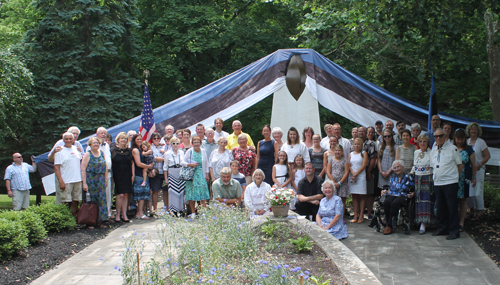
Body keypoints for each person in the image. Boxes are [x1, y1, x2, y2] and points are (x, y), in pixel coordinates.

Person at [430, 128, 463, 240]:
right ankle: (442, 228)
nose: (438, 138)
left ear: (444, 136)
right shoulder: (433, 150)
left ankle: (454, 231)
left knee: (452, 208)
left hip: (450, 183)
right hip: (438, 183)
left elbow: (460, 165)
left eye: (440, 136)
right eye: (436, 136)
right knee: (441, 207)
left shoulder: (453, 149)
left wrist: (454, 178)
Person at [81, 137, 108, 228]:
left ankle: (100, 221)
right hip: (91, 179)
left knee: (101, 200)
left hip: (100, 179)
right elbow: (83, 169)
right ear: (90, 145)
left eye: (97, 142)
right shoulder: (88, 154)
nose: (96, 144)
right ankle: (90, 221)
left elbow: (105, 167)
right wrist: (84, 183)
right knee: (91, 200)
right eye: (94, 143)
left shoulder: (102, 153)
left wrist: (106, 179)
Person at [382, 160, 415, 235]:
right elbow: (390, 188)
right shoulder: (393, 177)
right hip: (392, 194)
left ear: (402, 167)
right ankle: (388, 222)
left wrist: (413, 193)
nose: (397, 169)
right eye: (395, 168)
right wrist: (385, 191)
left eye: (398, 167)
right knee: (386, 202)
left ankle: (389, 225)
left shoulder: (408, 177)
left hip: (403, 195)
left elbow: (414, 187)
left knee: (395, 203)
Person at [86, 127, 113, 218]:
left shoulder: (107, 145)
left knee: (107, 196)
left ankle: (107, 215)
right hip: (94, 177)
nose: (103, 135)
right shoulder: (90, 149)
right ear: (97, 134)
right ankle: (94, 217)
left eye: (105, 133)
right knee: (96, 197)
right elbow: (84, 166)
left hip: (106, 175)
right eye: (101, 133)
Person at [466, 122, 491, 219]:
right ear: (469, 131)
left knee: (478, 191)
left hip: (479, 170)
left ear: (478, 131)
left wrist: (480, 164)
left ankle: (479, 211)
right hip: (469, 170)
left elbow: (488, 156)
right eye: (472, 129)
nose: (473, 131)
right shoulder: (467, 142)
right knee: (469, 191)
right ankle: (471, 209)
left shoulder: (481, 142)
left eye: (475, 129)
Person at [54, 132, 82, 216]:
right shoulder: (59, 151)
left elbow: (80, 162)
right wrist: (61, 181)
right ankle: (65, 219)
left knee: (76, 200)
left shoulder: (76, 149)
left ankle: (73, 219)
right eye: (66, 139)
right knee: (65, 201)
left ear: (73, 140)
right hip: (66, 180)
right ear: (63, 140)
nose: (69, 140)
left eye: (70, 138)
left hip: (77, 179)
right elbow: (56, 168)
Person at [411, 134, 435, 234]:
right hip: (417, 178)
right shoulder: (416, 152)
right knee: (418, 200)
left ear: (428, 143)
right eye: (420, 141)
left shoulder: (431, 152)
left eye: (424, 141)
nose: (422, 143)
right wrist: (411, 172)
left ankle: (424, 223)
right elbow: (415, 165)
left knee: (426, 200)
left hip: (427, 177)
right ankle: (418, 221)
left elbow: (433, 166)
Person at [454, 128, 476, 231]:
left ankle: (461, 222)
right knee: (453, 199)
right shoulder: (452, 148)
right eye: (458, 139)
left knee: (463, 200)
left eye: (461, 139)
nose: (459, 141)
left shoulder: (469, 150)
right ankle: (453, 220)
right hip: (453, 178)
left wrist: (474, 177)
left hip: (464, 178)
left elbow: (473, 164)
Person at [182, 136, 210, 216]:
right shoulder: (189, 151)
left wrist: (207, 174)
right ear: (192, 143)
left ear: (200, 143)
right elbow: (183, 162)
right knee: (192, 193)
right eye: (195, 142)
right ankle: (193, 212)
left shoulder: (203, 151)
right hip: (191, 174)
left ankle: (204, 212)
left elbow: (206, 163)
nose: (196, 144)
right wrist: (190, 164)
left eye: (198, 142)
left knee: (203, 192)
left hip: (201, 173)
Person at [111, 132, 133, 223]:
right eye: (122, 138)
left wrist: (133, 175)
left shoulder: (129, 151)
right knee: (120, 195)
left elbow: (132, 164)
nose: (123, 140)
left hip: (127, 174)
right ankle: (117, 214)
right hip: (117, 174)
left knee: (126, 194)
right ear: (118, 139)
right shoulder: (113, 150)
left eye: (125, 138)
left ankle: (124, 214)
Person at [131, 134, 154, 219]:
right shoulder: (135, 150)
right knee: (140, 195)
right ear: (134, 140)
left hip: (143, 173)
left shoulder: (141, 149)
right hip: (139, 174)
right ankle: (139, 212)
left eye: (141, 139)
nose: (140, 141)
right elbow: (138, 163)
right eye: (138, 139)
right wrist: (148, 166)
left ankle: (141, 211)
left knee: (144, 194)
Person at [357, 127, 377, 219]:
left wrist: (368, 171)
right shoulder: (355, 143)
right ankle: (357, 213)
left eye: (363, 131)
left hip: (368, 171)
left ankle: (369, 213)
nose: (361, 133)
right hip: (356, 172)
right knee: (357, 193)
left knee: (369, 193)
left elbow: (373, 158)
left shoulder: (370, 143)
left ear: (366, 133)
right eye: (359, 131)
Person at [163, 137, 185, 214]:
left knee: (181, 191)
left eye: (177, 143)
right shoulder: (167, 153)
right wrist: (166, 179)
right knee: (173, 192)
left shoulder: (181, 152)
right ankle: (174, 210)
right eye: (173, 143)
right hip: (172, 172)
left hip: (180, 171)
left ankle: (181, 209)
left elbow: (184, 163)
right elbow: (165, 167)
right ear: (171, 144)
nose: (175, 145)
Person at [348, 138, 368, 223]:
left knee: (361, 195)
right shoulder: (350, 154)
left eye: (358, 144)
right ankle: (355, 214)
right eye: (355, 144)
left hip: (361, 176)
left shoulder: (364, 153)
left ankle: (361, 215)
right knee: (354, 196)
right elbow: (348, 165)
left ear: (361, 145)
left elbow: (364, 165)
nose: (356, 146)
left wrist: (356, 173)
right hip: (352, 176)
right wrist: (352, 173)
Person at [326, 144, 350, 213]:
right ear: (334, 152)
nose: (337, 152)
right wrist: (333, 182)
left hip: (342, 183)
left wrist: (340, 182)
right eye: (336, 150)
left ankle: (341, 217)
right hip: (333, 184)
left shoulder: (345, 161)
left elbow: (346, 172)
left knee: (342, 201)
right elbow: (328, 172)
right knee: (333, 200)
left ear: (342, 152)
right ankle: (334, 216)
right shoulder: (331, 160)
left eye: (339, 150)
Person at [149, 132, 165, 214]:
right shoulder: (151, 148)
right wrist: (164, 158)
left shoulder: (164, 147)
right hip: (156, 172)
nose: (156, 140)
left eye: (157, 138)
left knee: (166, 191)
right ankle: (155, 209)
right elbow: (154, 158)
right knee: (155, 191)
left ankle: (167, 208)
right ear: (152, 140)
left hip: (165, 172)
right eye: (154, 138)